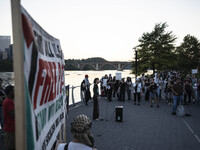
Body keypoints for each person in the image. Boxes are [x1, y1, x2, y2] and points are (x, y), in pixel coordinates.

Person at [3, 85, 15, 150]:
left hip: (11, 129)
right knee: (11, 147)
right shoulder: (9, 101)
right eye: (14, 90)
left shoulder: (9, 100)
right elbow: (13, 114)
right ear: (10, 92)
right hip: (10, 130)